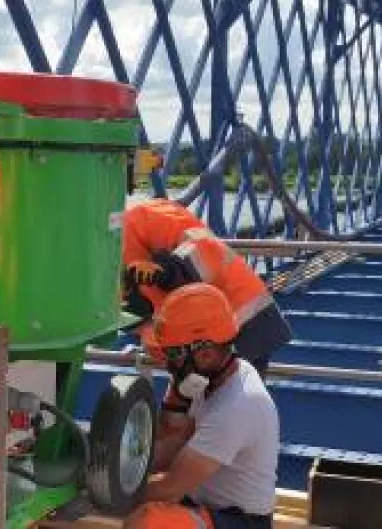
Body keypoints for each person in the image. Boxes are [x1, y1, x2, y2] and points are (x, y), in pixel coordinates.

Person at [124, 283, 279, 529]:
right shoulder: (209, 379)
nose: (168, 365)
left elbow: (170, 488)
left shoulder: (239, 405)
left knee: (149, 523)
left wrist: (107, 494)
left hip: (239, 521)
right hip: (203, 504)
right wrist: (122, 469)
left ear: (204, 354)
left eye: (173, 355)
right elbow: (175, 441)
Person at [121, 198, 293, 381]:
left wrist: (168, 272)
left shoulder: (145, 218)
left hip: (244, 318)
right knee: (213, 398)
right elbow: (138, 310)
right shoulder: (113, 244)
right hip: (210, 330)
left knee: (236, 396)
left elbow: (202, 249)